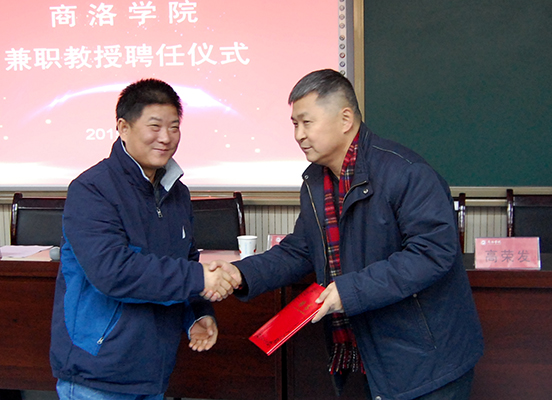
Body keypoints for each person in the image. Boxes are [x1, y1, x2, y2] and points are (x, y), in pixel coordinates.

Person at [210, 69, 484, 400]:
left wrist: (350, 290)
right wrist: (241, 273)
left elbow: (432, 254)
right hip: (366, 356)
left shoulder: (406, 173)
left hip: (427, 360)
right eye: (294, 124)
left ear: (345, 119)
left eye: (306, 122)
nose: (298, 135)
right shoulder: (316, 181)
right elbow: (301, 250)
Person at [49, 78, 239, 400]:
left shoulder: (177, 193)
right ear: (123, 128)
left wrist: (197, 314)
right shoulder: (92, 189)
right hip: (98, 375)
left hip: (153, 371)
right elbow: (113, 271)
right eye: (155, 126)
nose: (166, 137)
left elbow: (184, 262)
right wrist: (198, 278)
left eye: (174, 127)